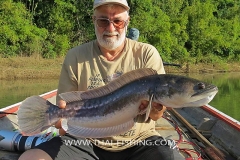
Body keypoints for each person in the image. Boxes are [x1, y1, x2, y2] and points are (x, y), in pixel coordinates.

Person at [19, 0, 184, 160]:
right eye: (103, 21)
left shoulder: (147, 54)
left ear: (127, 21)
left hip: (141, 140)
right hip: (85, 141)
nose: (111, 28)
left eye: (117, 21)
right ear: (94, 21)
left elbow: (156, 116)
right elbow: (62, 121)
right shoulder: (76, 56)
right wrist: (59, 119)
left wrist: (156, 107)